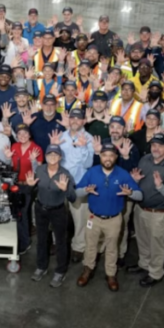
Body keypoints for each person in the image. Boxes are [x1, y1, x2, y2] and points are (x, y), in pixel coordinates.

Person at [75, 143, 143, 291]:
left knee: (112, 248)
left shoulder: (123, 174)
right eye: (105, 155)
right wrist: (85, 190)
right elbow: (76, 193)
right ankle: (88, 269)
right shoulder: (92, 172)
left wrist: (130, 193)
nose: (108, 158)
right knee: (90, 245)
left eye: (111, 155)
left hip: (113, 219)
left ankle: (111, 274)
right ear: (100, 156)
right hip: (93, 217)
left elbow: (139, 195)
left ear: (116, 158)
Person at [132, 133, 164, 286]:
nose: (156, 148)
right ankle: (144, 264)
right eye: (154, 145)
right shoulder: (145, 159)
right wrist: (134, 181)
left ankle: (155, 273)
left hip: (159, 214)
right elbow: (138, 180)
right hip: (141, 209)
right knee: (142, 239)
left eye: (160, 145)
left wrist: (160, 187)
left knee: (157, 245)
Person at [25, 145, 77, 288]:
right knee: (41, 239)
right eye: (49, 155)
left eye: (56, 155)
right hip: (40, 209)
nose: (52, 157)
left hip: (58, 211)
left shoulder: (65, 174)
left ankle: (60, 271)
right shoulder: (40, 170)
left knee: (60, 242)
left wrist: (65, 189)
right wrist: (30, 186)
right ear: (45, 157)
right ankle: (41, 267)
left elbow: (73, 198)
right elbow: (33, 189)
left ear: (60, 157)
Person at [59, 108, 94, 262]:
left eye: (78, 118)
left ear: (83, 121)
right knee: (59, 216)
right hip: (61, 183)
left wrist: (83, 147)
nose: (74, 121)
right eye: (72, 118)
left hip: (79, 184)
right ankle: (57, 243)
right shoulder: (61, 136)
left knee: (80, 219)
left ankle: (78, 247)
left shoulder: (89, 138)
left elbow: (88, 163)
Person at [5, 123, 43, 255]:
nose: (22, 136)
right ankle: (17, 239)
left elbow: (39, 171)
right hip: (15, 185)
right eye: (19, 134)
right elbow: (11, 166)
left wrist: (33, 160)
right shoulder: (14, 146)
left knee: (22, 213)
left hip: (28, 186)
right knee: (15, 212)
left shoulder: (36, 149)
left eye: (25, 133)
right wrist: (8, 158)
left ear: (29, 135)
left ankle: (25, 242)